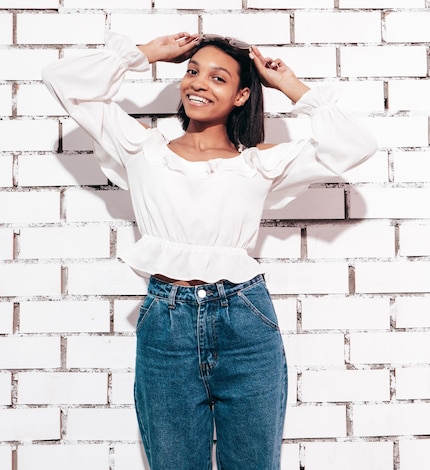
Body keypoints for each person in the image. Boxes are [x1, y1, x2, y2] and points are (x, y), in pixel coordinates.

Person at [42, 30, 377, 470]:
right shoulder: (142, 148)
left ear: (241, 96)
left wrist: (290, 85)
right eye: (193, 72)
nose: (198, 83)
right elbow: (62, 81)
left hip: (246, 324)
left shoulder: (259, 163)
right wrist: (144, 54)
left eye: (218, 78)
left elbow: (356, 146)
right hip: (167, 324)